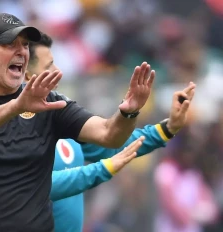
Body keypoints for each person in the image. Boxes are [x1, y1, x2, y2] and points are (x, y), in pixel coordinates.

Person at [0, 13, 154, 232]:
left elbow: (109, 134)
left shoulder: (48, 102)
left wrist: (128, 113)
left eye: (25, 45)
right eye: (9, 44)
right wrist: (17, 106)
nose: (21, 52)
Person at [27, 32, 197, 232]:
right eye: (48, 67)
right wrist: (104, 169)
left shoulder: (62, 121)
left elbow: (111, 144)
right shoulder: (9, 130)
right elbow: (37, 186)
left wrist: (167, 129)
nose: (58, 71)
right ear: (29, 76)